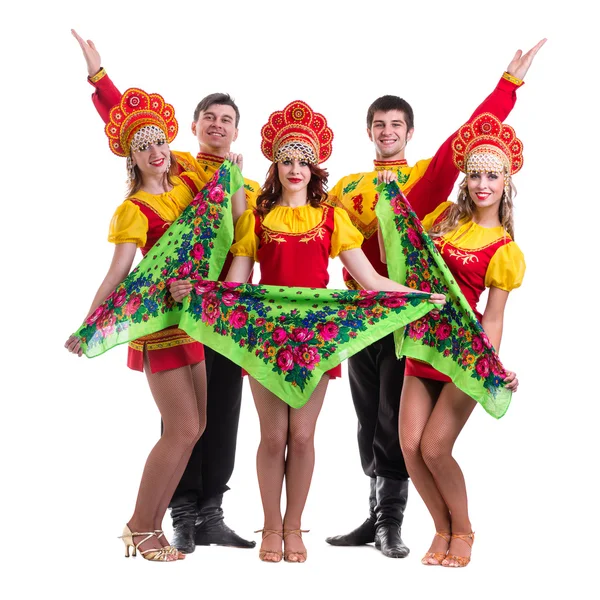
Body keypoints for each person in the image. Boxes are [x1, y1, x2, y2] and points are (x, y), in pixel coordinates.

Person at [171, 100, 445, 563]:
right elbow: (235, 285)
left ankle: (294, 526)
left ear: (313, 167)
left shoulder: (333, 218)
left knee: (301, 437)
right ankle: (270, 528)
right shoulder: (254, 221)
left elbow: (372, 281)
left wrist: (415, 296)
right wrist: (197, 290)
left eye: (303, 159)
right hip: (263, 337)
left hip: (316, 341)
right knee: (272, 437)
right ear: (275, 166)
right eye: (287, 159)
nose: (295, 168)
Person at [325, 39, 545, 558]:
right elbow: (320, 229)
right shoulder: (348, 187)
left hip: (419, 320)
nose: (387, 132)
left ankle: (394, 523)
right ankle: (375, 512)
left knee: (396, 423)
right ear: (368, 131)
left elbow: (464, 146)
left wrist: (506, 86)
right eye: (378, 124)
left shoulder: (420, 187)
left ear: (408, 132)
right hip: (361, 314)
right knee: (368, 417)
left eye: (396, 125)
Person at [72, 29, 258, 552]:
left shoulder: (243, 183)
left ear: (237, 131)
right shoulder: (181, 170)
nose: (218, 125)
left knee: (214, 416)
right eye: (210, 118)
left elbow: (250, 239)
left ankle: (209, 513)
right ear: (195, 127)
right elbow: (133, 131)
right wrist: (99, 77)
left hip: (226, 307)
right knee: (181, 421)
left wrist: (233, 290)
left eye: (228, 120)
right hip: (173, 311)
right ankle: (173, 514)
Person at [382, 113, 524, 568]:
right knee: (408, 448)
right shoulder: (443, 218)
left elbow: (495, 318)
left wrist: (489, 363)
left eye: (492, 176)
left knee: (434, 447)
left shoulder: (505, 249)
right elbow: (405, 255)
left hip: (462, 354)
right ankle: (440, 529)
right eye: (476, 174)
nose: (483, 184)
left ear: (505, 182)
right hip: (423, 344)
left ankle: (462, 529)